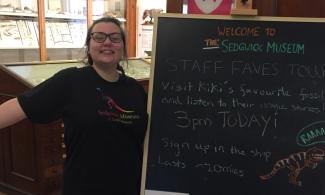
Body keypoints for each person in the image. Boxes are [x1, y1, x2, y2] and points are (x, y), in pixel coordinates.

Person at [0, 16, 148, 195]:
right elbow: (21, 106)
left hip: (129, 188)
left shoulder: (135, 89)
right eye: (99, 37)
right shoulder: (70, 81)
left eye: (115, 38)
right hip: (83, 188)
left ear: (123, 46)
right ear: (89, 46)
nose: (107, 42)